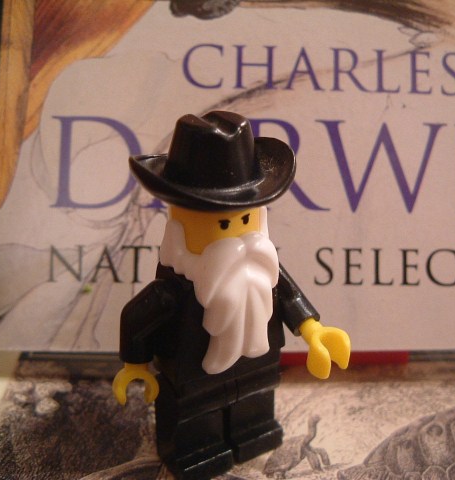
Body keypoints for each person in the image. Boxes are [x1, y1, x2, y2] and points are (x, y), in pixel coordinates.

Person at [112, 111, 350, 479]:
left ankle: (254, 432)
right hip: (191, 378)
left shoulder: (263, 269)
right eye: (223, 223)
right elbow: (137, 317)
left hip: (259, 367)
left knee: (256, 411)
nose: (239, 239)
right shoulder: (174, 289)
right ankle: (195, 451)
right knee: (194, 423)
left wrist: (313, 329)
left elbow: (288, 296)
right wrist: (135, 364)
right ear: (179, 225)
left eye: (245, 219)